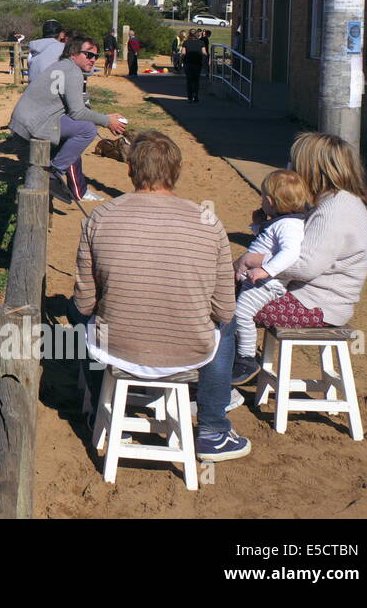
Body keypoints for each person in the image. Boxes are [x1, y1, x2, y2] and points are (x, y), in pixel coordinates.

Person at [70, 130, 249, 461]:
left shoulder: (100, 217)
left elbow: (85, 301)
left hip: (115, 347)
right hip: (188, 351)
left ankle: (99, 409)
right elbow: (224, 309)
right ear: (177, 172)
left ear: (130, 170)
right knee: (228, 325)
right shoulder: (209, 223)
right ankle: (213, 428)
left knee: (78, 317)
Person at [237, 131, 367, 358]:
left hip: (316, 306)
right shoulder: (330, 203)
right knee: (223, 295)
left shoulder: (335, 210)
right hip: (307, 298)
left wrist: (253, 260)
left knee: (224, 305)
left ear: (312, 169)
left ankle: (232, 371)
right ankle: (232, 365)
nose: (291, 171)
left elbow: (305, 266)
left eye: (295, 165)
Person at [10, 34, 125, 202]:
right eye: (89, 54)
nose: (93, 60)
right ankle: (54, 173)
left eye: (96, 56)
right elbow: (77, 113)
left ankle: (63, 177)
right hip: (33, 124)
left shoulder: (62, 66)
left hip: (23, 123)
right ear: (73, 53)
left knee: (75, 134)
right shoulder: (73, 72)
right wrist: (108, 121)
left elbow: (73, 111)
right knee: (87, 130)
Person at [230, 169, 311, 385]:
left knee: (242, 314)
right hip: (260, 280)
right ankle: (237, 352)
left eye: (263, 197)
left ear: (270, 200)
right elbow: (267, 244)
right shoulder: (282, 222)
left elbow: (290, 254)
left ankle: (246, 358)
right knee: (232, 311)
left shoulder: (289, 226)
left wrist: (266, 270)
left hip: (267, 284)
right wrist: (258, 225)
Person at [182, 29, 207, 102]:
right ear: (197, 35)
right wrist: (205, 60)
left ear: (189, 35)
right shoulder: (201, 42)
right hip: (197, 63)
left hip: (188, 63)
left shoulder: (186, 42)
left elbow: (183, 53)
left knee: (189, 80)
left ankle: (189, 97)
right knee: (196, 80)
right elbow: (204, 53)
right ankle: (196, 96)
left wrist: (182, 60)